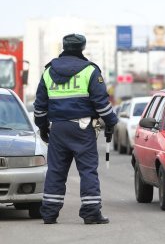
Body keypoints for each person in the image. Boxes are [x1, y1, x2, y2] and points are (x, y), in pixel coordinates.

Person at [33, 33, 118, 224]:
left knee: (55, 171)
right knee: (87, 170)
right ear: (82, 47)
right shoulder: (90, 71)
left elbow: (39, 107)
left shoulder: (48, 72)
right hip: (82, 127)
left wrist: (43, 127)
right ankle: (91, 213)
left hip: (58, 128)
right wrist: (111, 121)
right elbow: (101, 103)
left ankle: (49, 213)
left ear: (63, 46)